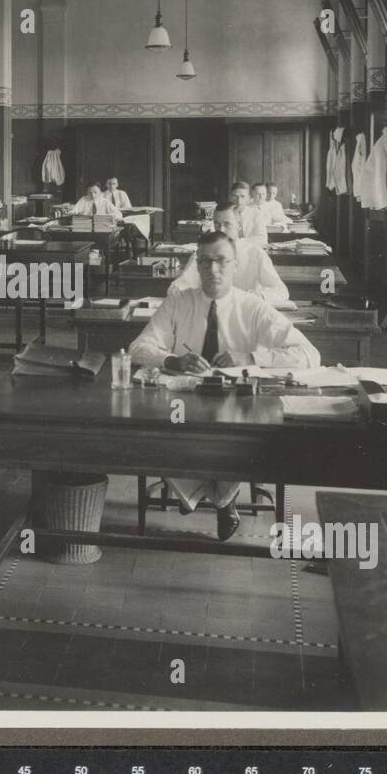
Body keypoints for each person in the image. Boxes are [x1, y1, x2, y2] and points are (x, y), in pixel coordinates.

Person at [131, 230, 319, 540]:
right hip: (184, 404)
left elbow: (308, 354)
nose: (212, 270)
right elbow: (140, 347)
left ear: (235, 265)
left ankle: (200, 491)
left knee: (231, 436)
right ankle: (221, 498)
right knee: (161, 430)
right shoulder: (179, 301)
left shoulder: (253, 307)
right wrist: (172, 361)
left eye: (220, 261)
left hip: (236, 406)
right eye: (204, 262)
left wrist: (249, 356)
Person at [167, 204, 289, 305]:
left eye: (227, 224)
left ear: (239, 226)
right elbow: (176, 289)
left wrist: (255, 295)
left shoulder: (255, 253)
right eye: (217, 225)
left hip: (244, 313)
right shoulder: (202, 253)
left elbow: (281, 291)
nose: (221, 230)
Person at [225, 181, 269, 247]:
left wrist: (238, 242)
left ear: (248, 198)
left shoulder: (256, 213)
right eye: (235, 196)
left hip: (251, 251)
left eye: (242, 196)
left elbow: (262, 239)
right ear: (230, 197)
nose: (239, 200)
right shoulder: (224, 213)